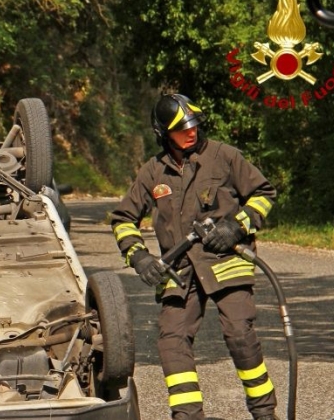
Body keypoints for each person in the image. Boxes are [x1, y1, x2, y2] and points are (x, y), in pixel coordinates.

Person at [110, 93, 278, 420]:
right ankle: (187, 416)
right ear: (163, 133)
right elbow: (122, 219)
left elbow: (263, 194)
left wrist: (237, 226)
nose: (191, 132)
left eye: (194, 125)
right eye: (182, 128)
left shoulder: (224, 156)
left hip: (226, 261)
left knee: (239, 333)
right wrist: (139, 257)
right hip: (180, 272)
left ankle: (265, 413)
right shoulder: (153, 172)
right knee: (171, 342)